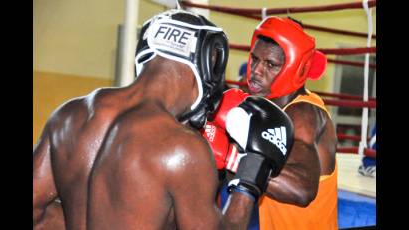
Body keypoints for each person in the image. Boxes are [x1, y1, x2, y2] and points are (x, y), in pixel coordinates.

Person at [33, 9, 295, 229]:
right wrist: (250, 178)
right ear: (207, 66)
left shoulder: (68, 115)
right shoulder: (182, 148)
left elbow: (37, 213)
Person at [203, 16, 338, 229]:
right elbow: (251, 173)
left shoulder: (303, 113)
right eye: (255, 59)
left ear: (295, 68)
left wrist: (231, 158)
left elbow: (302, 189)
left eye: (270, 64)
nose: (256, 70)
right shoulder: (261, 108)